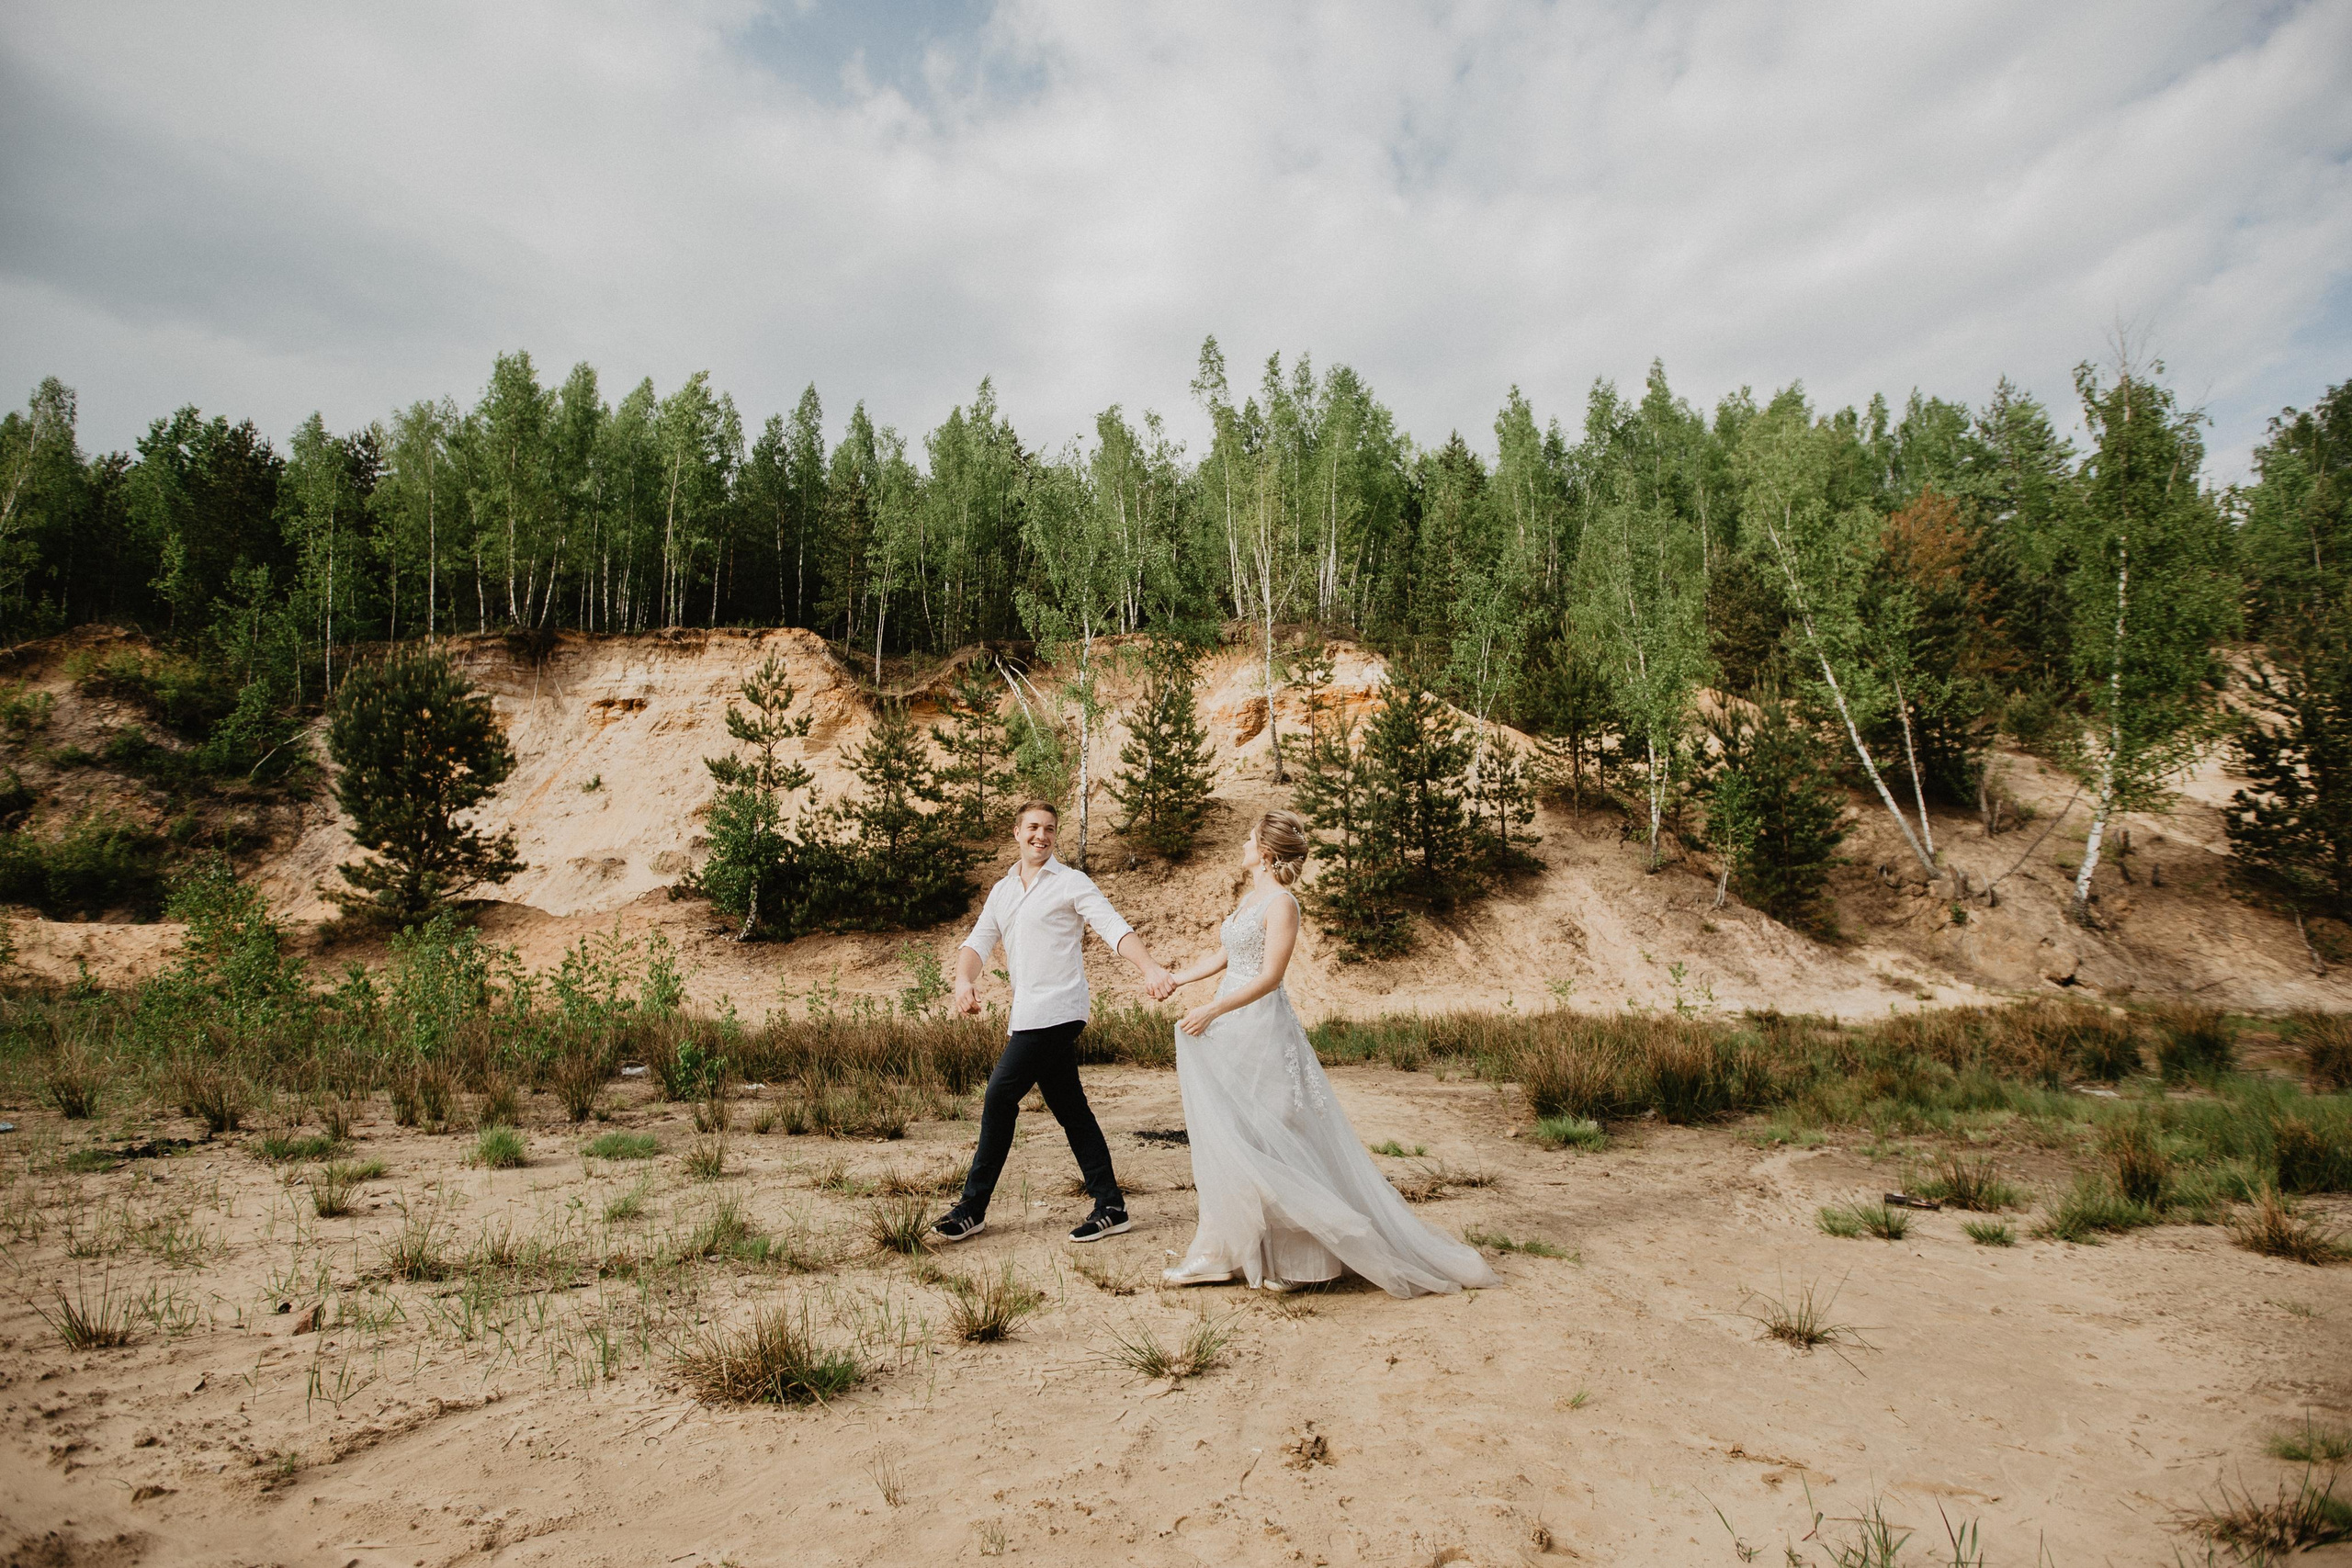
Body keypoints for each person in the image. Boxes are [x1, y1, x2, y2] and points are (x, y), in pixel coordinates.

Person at [1159, 810, 1498, 1296]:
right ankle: (1224, 1251)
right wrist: (1178, 979)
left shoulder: (1283, 904)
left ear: (1268, 852)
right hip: (1231, 1025)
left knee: (1281, 1135)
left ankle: (1305, 1264)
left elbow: (1269, 977)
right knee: (1237, 1134)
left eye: (1250, 838)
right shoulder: (1250, 898)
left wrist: (1212, 1010)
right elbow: (1226, 957)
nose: (1242, 843)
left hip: (1260, 1027)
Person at [930, 798, 1175, 1245]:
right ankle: (1111, 1206)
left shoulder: (1070, 881)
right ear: (1016, 832)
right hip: (1026, 1012)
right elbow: (977, 942)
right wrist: (962, 982)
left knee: (1000, 1095)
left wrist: (1150, 968)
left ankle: (972, 1207)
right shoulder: (1003, 890)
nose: (1041, 836)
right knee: (1071, 1108)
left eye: (1049, 830)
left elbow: (1111, 925)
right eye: (1033, 828)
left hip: (1059, 1010)